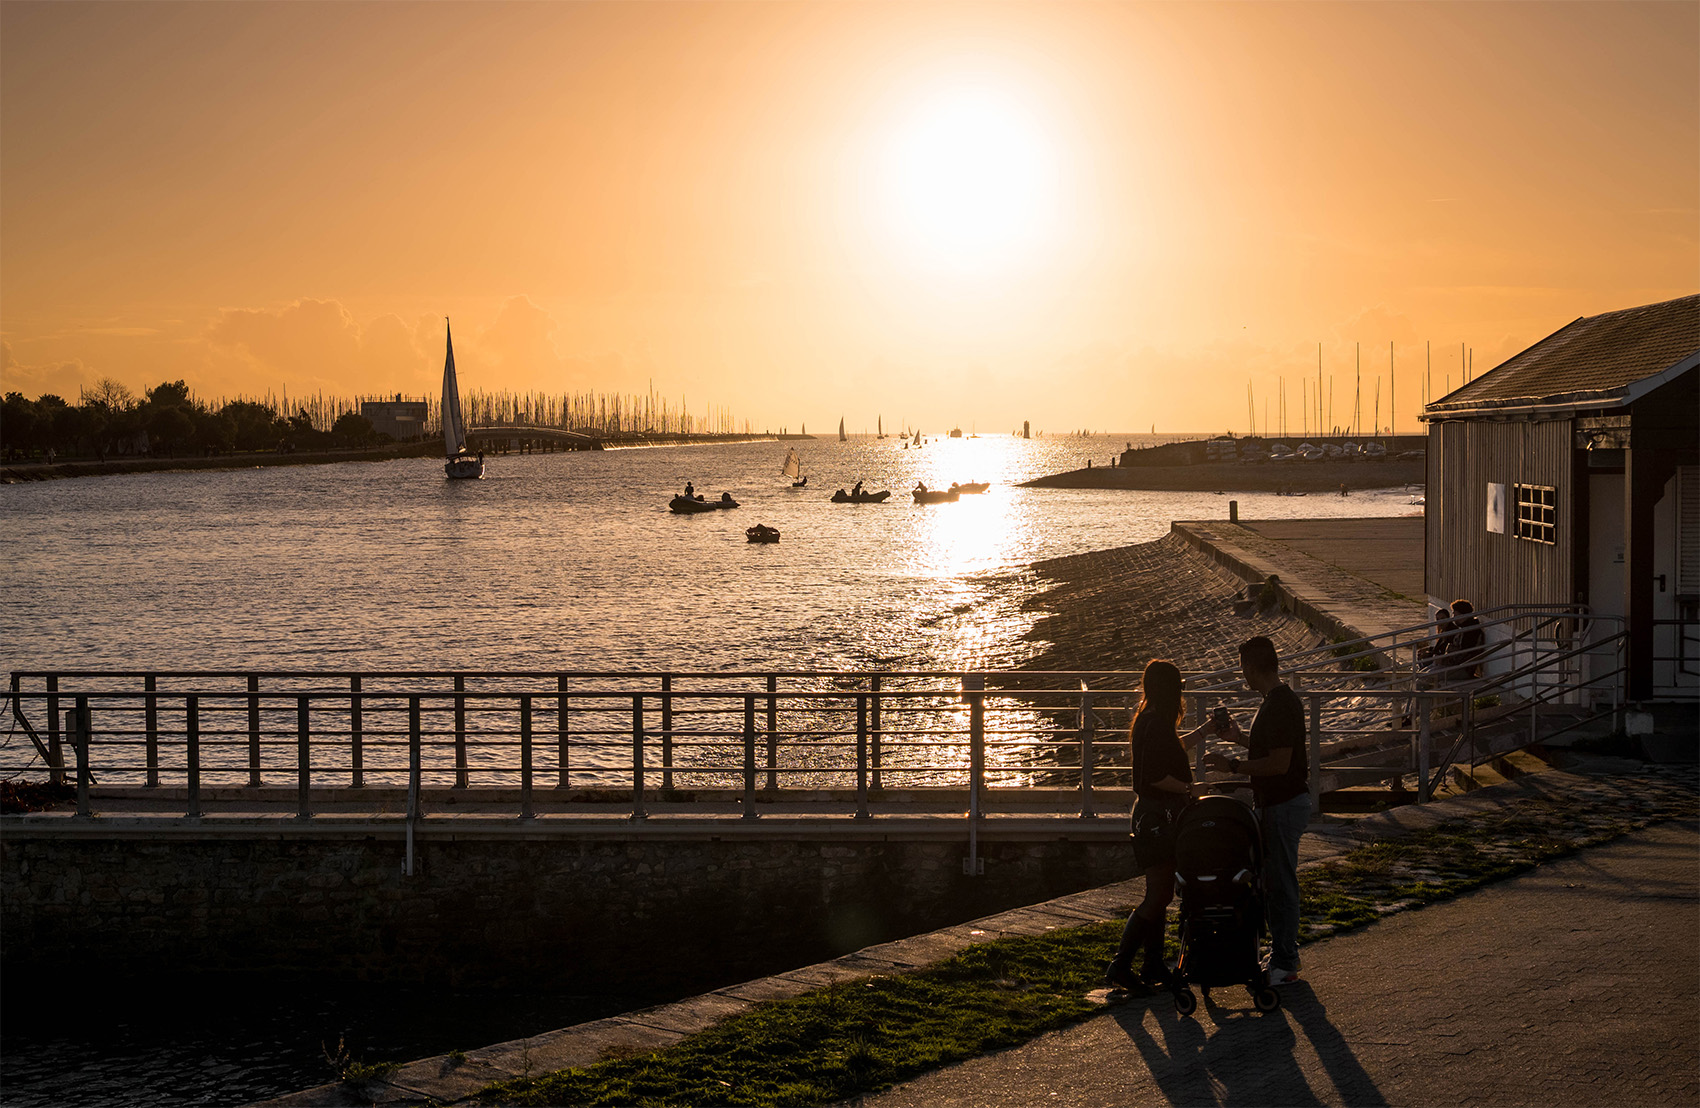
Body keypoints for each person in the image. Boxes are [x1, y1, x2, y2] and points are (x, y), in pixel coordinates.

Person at [1205, 636, 1310, 986]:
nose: (1243, 676)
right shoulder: (1277, 701)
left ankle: (1285, 962)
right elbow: (1272, 749)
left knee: (1281, 885)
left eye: (1243, 669)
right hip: (1276, 804)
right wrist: (1238, 741)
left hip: (1283, 804)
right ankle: (1281, 953)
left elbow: (1280, 764)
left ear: (1251, 668)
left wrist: (1233, 766)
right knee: (1274, 883)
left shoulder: (1280, 705)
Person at [1105, 660, 1212, 993]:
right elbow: (1152, 777)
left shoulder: (1151, 721)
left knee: (1161, 892)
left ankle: (1152, 963)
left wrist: (1205, 731)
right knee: (1158, 894)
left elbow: (1171, 751)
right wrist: (1188, 789)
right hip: (1156, 820)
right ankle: (1121, 965)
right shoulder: (1155, 724)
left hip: (1156, 817)